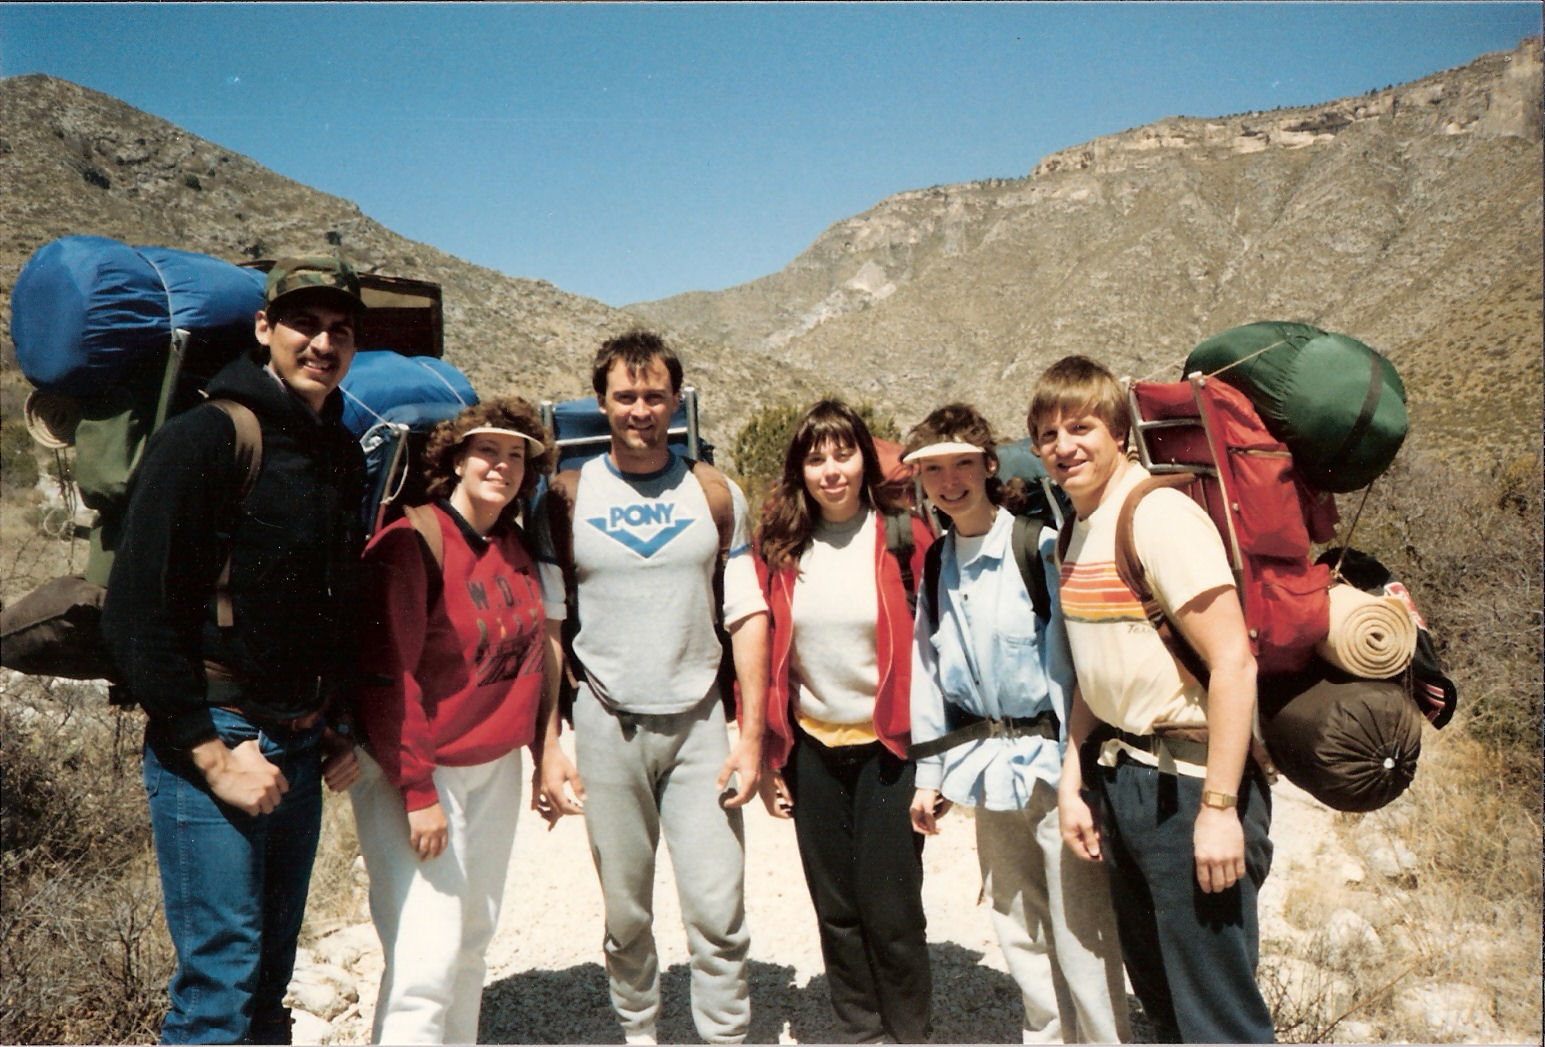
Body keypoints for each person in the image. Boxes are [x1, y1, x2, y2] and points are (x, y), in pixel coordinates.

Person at [101, 256, 368, 1044]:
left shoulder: (338, 452)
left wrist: (338, 719)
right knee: (219, 986)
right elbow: (136, 611)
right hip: (217, 740)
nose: (322, 342)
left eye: (340, 330)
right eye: (304, 324)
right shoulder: (208, 436)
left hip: (299, 739)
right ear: (264, 329)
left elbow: (332, 604)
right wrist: (212, 754)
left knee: (267, 985)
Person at [533, 330, 769, 1045]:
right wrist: (545, 742)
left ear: (676, 401)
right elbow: (547, 626)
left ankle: (723, 1035)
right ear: (601, 401)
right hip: (606, 725)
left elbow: (746, 612)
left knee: (716, 906)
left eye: (654, 395)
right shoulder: (563, 500)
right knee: (626, 912)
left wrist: (751, 736)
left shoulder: (716, 493)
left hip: (700, 722)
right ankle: (640, 1031)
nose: (640, 408)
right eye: (625, 395)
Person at [1029, 355, 1274, 1044]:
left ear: (1118, 433)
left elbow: (1232, 661)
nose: (1062, 446)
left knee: (1218, 1014)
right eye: (1046, 434)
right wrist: (1074, 781)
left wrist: (1220, 810)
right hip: (1122, 780)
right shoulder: (1077, 528)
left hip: (1191, 786)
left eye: (1079, 427)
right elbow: (1092, 673)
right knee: (1164, 1003)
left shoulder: (1156, 515)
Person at [904, 403, 1129, 1045]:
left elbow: (1081, 666)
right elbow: (929, 672)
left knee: (1083, 933)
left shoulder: (1038, 546)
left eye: (963, 464)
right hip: (985, 770)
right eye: (935, 469)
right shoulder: (935, 562)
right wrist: (930, 773)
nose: (950, 481)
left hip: (1055, 768)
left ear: (988, 465)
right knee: (1017, 929)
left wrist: (1077, 768)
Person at [349, 398, 558, 1044]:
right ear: (455, 458)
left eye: (516, 453)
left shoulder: (512, 544)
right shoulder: (412, 542)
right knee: (425, 957)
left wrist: (544, 753)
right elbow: (389, 675)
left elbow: (529, 660)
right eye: (487, 450)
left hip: (492, 768)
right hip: (422, 771)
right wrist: (415, 792)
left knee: (471, 941)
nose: (502, 464)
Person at [753, 399, 935, 1043]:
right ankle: (859, 1031)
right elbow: (766, 654)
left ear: (864, 457)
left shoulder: (904, 536)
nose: (831, 470)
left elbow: (940, 643)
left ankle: (909, 1031)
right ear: (799, 470)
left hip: (890, 746)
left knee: (891, 908)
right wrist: (773, 758)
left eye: (843, 453)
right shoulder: (779, 548)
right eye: (815, 457)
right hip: (812, 747)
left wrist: (940, 759)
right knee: (835, 907)